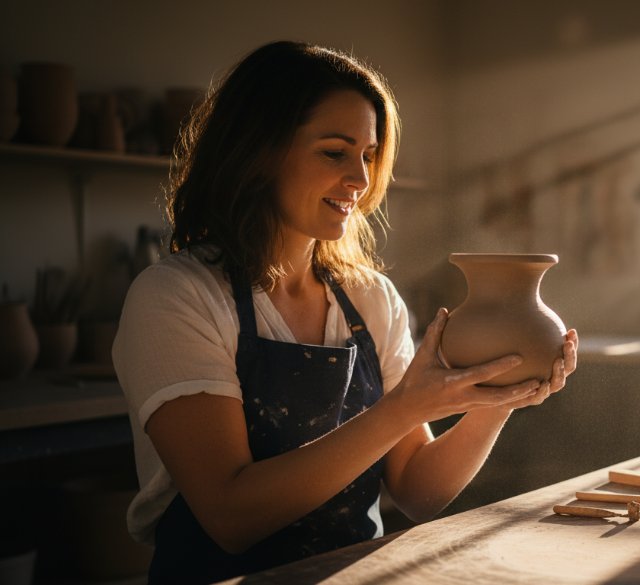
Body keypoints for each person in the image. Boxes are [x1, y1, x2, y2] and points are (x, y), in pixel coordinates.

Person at [112, 40, 578, 584]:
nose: (360, 179)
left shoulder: (370, 298)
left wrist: (496, 400)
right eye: (335, 152)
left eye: (369, 155)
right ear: (258, 151)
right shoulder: (176, 296)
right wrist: (404, 408)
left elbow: (418, 492)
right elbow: (230, 517)